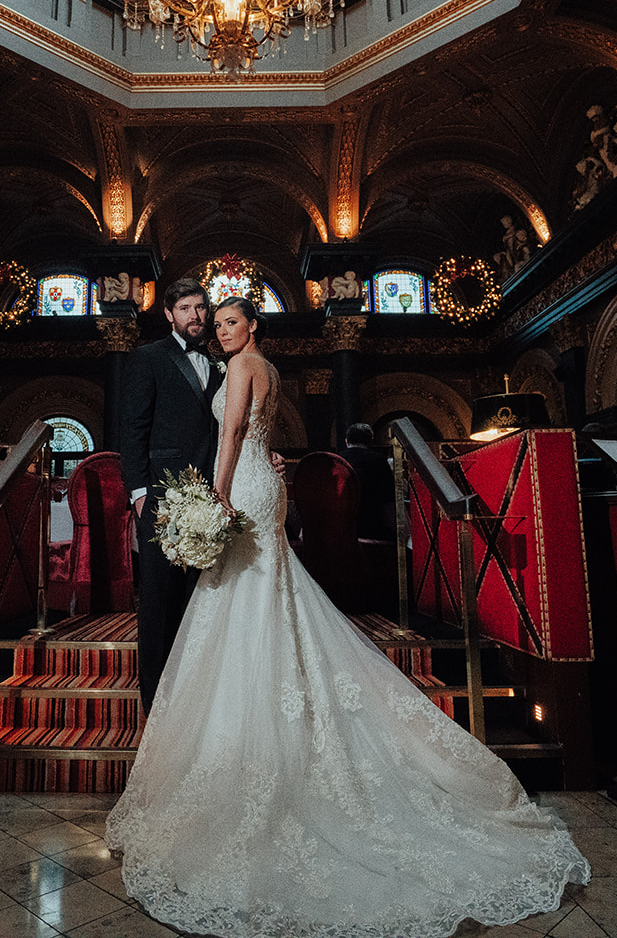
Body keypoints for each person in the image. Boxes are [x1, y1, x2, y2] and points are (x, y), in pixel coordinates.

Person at [106, 296, 589, 937]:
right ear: (177, 315)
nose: (216, 328)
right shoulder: (254, 367)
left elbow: (228, 434)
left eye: (227, 320)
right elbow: (224, 430)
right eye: (208, 319)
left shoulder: (243, 367)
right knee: (252, 598)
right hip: (252, 484)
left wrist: (219, 497)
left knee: (243, 599)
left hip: (236, 487)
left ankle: (246, 741)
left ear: (252, 326)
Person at [118, 279, 225, 715]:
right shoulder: (148, 358)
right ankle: (155, 706)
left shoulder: (220, 366)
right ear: (169, 314)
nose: (195, 316)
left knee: (198, 599)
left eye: (201, 308)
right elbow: (133, 428)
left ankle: (193, 703)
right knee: (159, 603)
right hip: (161, 495)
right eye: (185, 308)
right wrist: (140, 493)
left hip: (210, 494)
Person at [339, 422, 396, 541]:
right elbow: (389, 500)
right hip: (373, 528)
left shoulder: (337, 460)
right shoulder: (379, 461)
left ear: (346, 441)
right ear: (370, 441)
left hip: (342, 528)